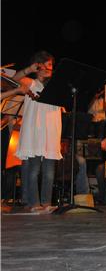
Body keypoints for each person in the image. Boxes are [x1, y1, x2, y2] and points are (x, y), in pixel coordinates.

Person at [13, 51, 61, 213]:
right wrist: (29, 69)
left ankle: (46, 203)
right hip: (35, 130)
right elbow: (14, 80)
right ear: (38, 66)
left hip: (51, 130)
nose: (49, 68)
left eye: (51, 65)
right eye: (46, 64)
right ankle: (34, 203)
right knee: (34, 169)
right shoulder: (31, 83)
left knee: (49, 170)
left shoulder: (55, 87)